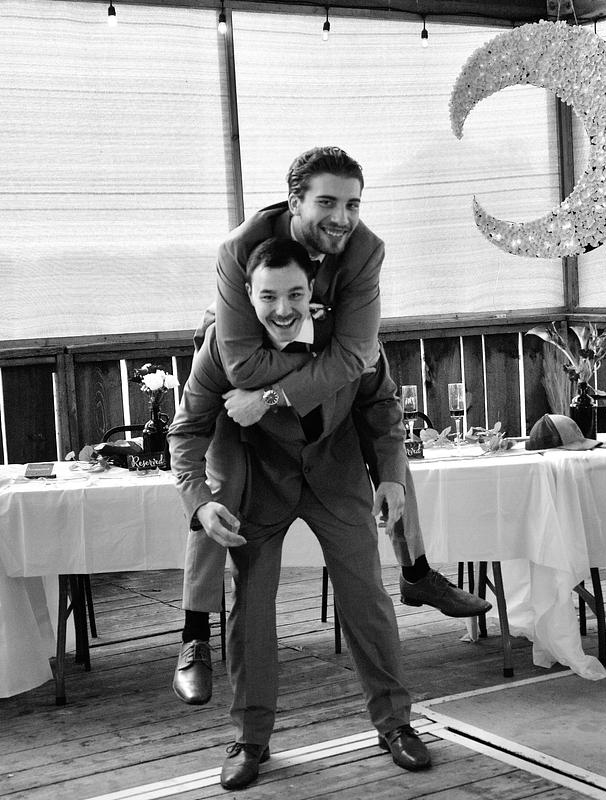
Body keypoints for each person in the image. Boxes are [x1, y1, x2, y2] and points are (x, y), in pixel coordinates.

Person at [173, 146, 490, 706]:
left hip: (327, 388)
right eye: (326, 202)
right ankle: (195, 632)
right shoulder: (239, 252)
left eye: (352, 204)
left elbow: (362, 366)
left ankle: (415, 572)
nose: (342, 217)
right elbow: (242, 367)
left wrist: (318, 359)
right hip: (240, 380)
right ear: (294, 202)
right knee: (221, 489)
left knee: (382, 422)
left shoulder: (365, 251)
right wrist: (326, 350)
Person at [169, 238, 432, 791]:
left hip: (337, 476)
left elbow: (381, 406)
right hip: (261, 481)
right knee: (250, 610)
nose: (283, 309)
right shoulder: (222, 345)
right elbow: (186, 431)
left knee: (367, 601)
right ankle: (250, 738)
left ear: (312, 290)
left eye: (294, 294)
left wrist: (389, 474)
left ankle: (395, 723)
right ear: (247, 295)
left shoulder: (350, 335)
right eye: (268, 297)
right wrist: (201, 500)